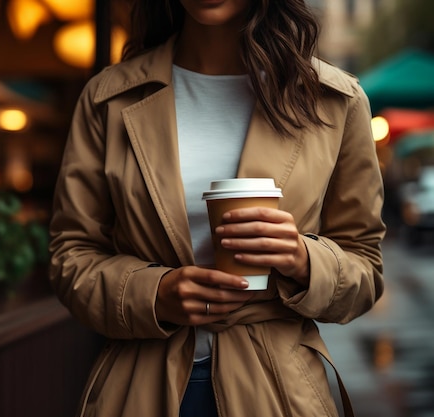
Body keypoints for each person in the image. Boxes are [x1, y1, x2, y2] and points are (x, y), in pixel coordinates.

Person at [48, 0, 386, 416]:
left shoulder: (334, 100)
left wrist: (303, 259)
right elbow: (71, 255)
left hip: (278, 393)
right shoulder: (109, 98)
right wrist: (154, 294)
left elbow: (365, 268)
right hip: (137, 389)